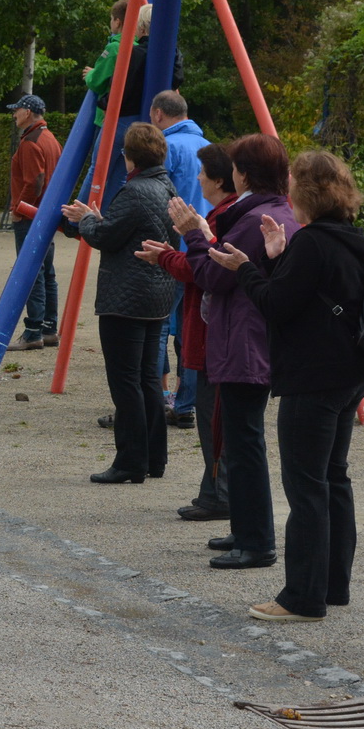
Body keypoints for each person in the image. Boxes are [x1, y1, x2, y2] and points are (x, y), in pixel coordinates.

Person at [201, 151, 364, 623]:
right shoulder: (351, 240)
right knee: (334, 479)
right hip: (348, 373)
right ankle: (332, 583)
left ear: (307, 194)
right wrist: (278, 257)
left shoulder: (313, 242)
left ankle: (302, 596)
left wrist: (246, 267)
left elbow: (275, 305)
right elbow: (304, 296)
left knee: (306, 487)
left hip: (313, 377)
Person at [184, 133, 297, 569]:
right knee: (241, 439)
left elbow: (213, 276)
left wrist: (195, 236)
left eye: (234, 166)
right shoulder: (270, 211)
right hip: (251, 340)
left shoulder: (254, 219)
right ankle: (246, 529)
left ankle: (256, 541)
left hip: (244, 343)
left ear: (244, 173)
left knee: (245, 442)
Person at [61, 122, 176, 484]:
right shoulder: (165, 186)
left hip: (126, 297)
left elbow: (108, 237)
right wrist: (98, 219)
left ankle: (129, 461)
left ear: (130, 157)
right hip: (157, 293)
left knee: (125, 381)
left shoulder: (135, 190)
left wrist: (87, 221)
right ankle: (154, 457)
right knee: (147, 378)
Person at [139, 143, 234, 522]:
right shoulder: (223, 214)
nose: (197, 179)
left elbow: (206, 269)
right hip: (214, 335)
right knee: (212, 418)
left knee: (218, 421)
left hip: (216, 336)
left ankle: (220, 494)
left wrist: (167, 255)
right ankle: (211, 490)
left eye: (202, 173)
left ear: (219, 179)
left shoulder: (229, 216)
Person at [150, 91, 211, 425]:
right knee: (190, 330)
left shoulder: (167, 148)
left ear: (158, 115)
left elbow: (159, 199)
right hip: (204, 249)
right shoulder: (209, 148)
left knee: (159, 326)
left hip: (174, 249)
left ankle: (157, 398)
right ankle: (186, 403)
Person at [4, 95, 62, 347]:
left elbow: (35, 180)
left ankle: (33, 331)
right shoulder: (51, 139)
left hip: (31, 217)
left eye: (16, 110)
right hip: (46, 215)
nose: (13, 114)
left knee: (31, 272)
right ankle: (50, 328)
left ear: (27, 112)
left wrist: (19, 208)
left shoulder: (30, 142)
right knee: (47, 272)